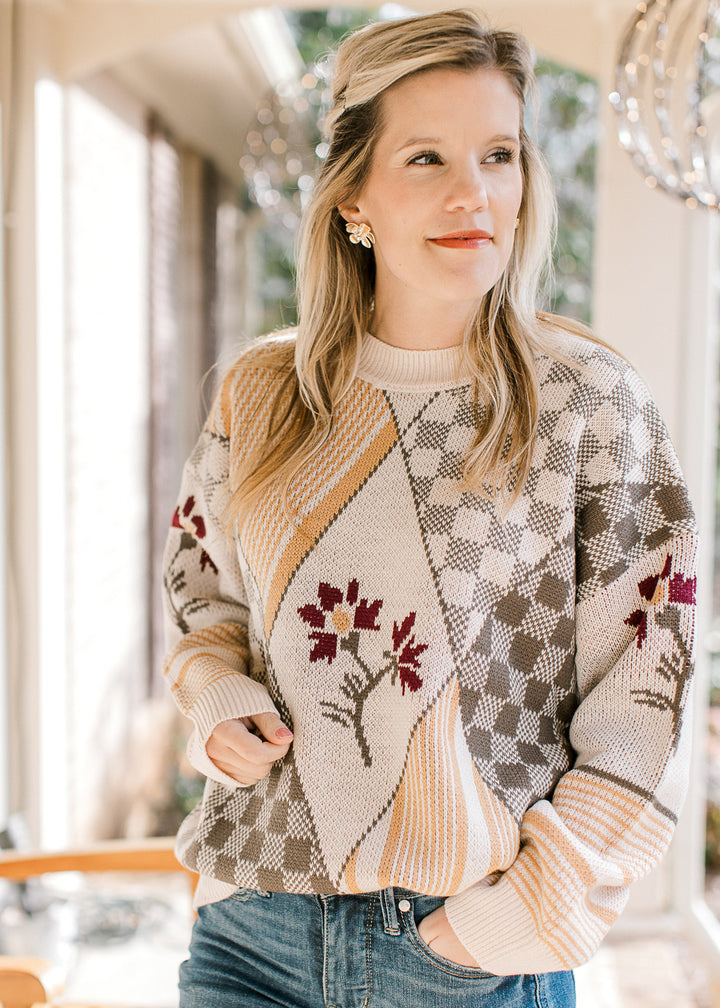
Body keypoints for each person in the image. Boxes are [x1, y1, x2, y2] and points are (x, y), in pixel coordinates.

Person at [162, 9, 697, 1007]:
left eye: (499, 154)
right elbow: (204, 603)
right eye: (426, 159)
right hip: (249, 929)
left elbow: (645, 701)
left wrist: (510, 921)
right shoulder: (258, 395)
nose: (474, 193)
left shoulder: (589, 404)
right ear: (352, 197)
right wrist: (215, 700)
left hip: (463, 952)